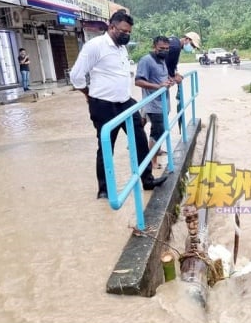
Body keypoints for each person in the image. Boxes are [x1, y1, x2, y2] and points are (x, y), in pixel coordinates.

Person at [69, 10, 167, 200]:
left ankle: (147, 179)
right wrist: (88, 95)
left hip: (125, 103)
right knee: (106, 145)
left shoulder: (122, 48)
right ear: (111, 27)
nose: (126, 35)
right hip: (103, 105)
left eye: (129, 32)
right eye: (123, 31)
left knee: (139, 139)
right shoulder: (95, 46)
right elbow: (76, 76)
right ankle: (104, 190)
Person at [135, 36, 174, 170]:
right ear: (154, 47)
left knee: (159, 131)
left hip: (164, 103)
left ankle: (153, 152)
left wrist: (170, 81)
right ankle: (152, 162)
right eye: (161, 48)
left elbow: (163, 78)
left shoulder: (162, 60)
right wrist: (158, 86)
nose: (164, 51)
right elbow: (138, 81)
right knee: (158, 132)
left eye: (167, 49)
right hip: (153, 104)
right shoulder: (146, 61)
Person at [165, 31, 201, 130]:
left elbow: (172, 63)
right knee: (162, 112)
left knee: (148, 112)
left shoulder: (174, 41)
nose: (192, 48)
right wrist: (173, 76)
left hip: (156, 78)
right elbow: (166, 64)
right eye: (193, 45)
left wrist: (175, 73)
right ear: (187, 39)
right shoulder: (175, 47)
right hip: (157, 81)